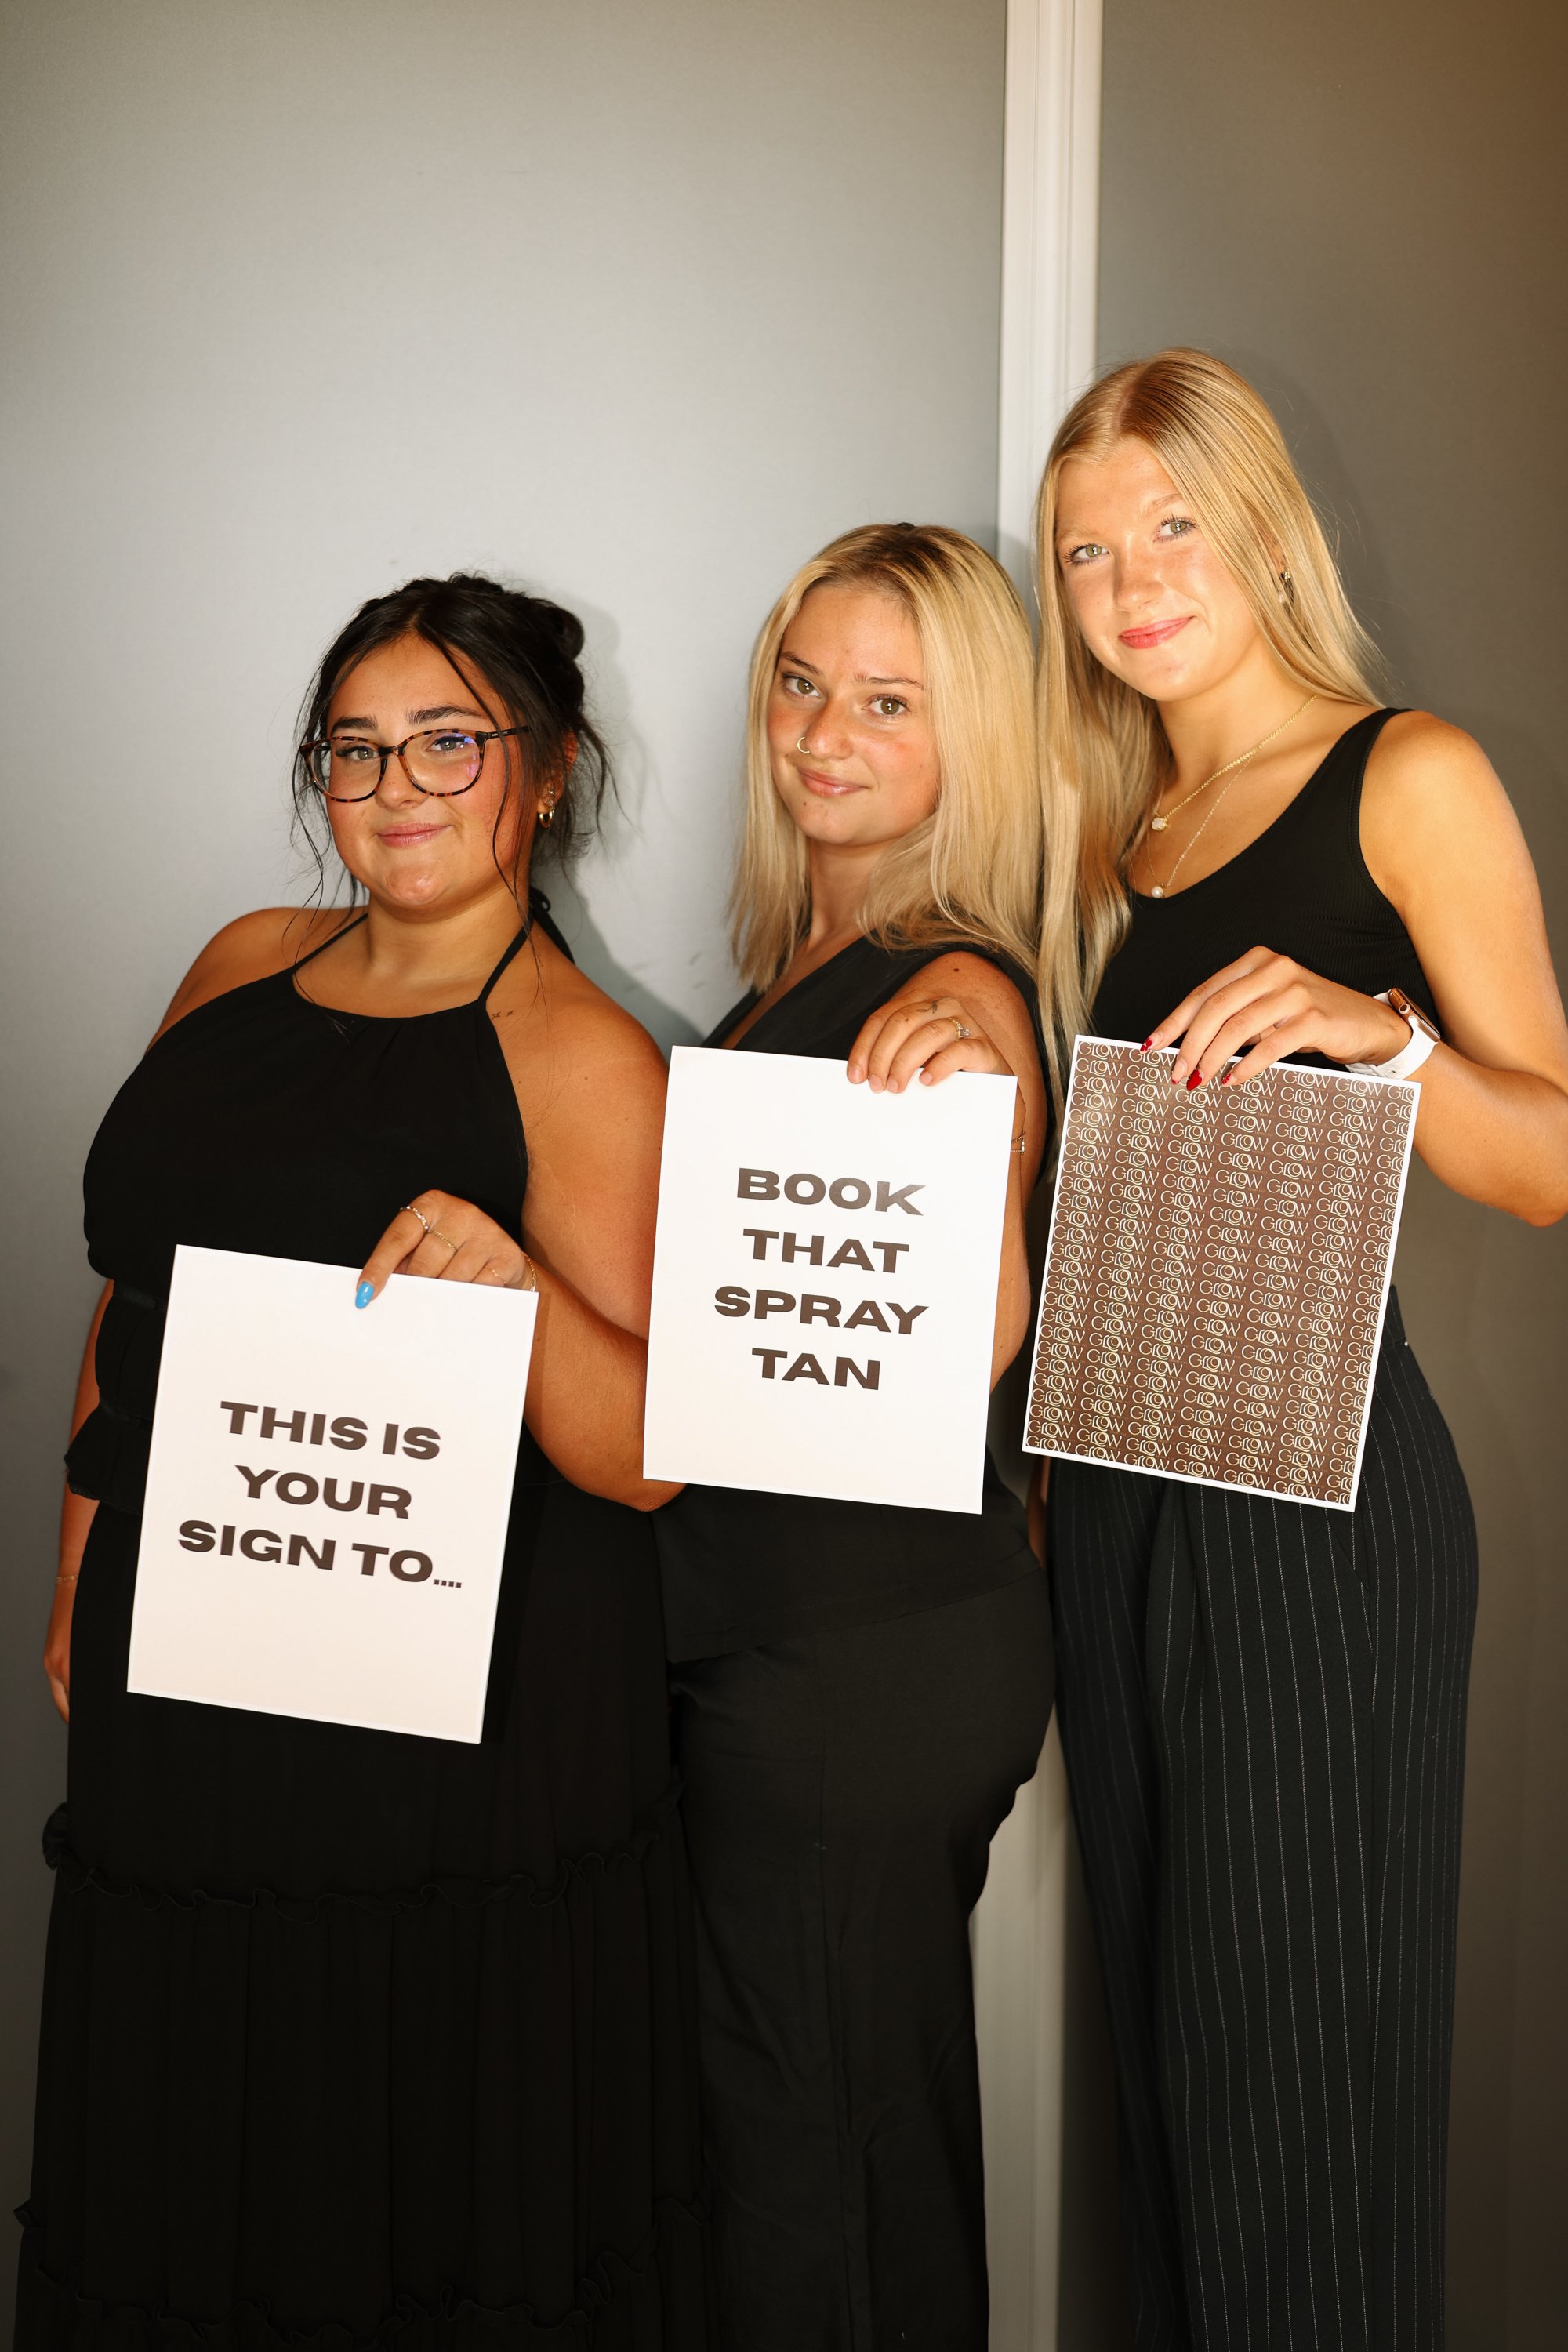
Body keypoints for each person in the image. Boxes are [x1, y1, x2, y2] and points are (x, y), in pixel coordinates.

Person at [22, 575, 713, 2347]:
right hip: (194, 1671)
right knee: (197, 2138)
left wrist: (521, 1285)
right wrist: (83, 1554)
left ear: (545, 773)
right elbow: (140, 1286)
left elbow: (643, 1464)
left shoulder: (580, 1058)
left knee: (393, 2162)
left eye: (449, 743)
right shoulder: (242, 961)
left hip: (449, 1725)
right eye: (359, 749)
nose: (398, 788)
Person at [1034, 349, 1568, 2352]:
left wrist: (1393, 1040)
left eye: (1171, 526)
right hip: (1119, 1491)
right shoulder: (1124, 827)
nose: (1133, 580)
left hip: (1315, 1515)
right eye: (1088, 551)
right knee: (1173, 2124)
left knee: (1300, 2129)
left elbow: (1549, 1158)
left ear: (1261, 525)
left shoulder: (1402, 772)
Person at [653, 523, 1055, 2351]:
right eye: (803, 684)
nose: (826, 735)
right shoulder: (790, 972)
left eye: (889, 703)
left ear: (968, 736)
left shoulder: (941, 971)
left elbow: (980, 1306)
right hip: (810, 1650)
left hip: (855, 1665)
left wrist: (965, 1055)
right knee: (812, 2139)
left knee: (820, 2166)